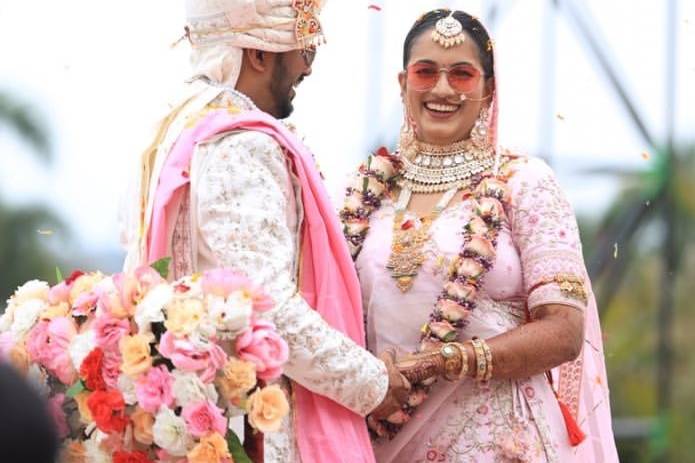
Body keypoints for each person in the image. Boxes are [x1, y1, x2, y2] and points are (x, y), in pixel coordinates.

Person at [119, 1, 409, 462]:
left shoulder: (176, 130)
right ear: (258, 55)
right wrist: (371, 382)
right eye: (304, 51)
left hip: (190, 417)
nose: (307, 68)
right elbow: (268, 306)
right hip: (249, 425)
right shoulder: (240, 143)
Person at [340, 9, 619, 462]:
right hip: (386, 438)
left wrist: (445, 361)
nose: (443, 89)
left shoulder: (525, 183)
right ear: (402, 82)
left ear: (489, 87)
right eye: (426, 72)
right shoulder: (365, 195)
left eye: (463, 75)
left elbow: (565, 331)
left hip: (503, 441)